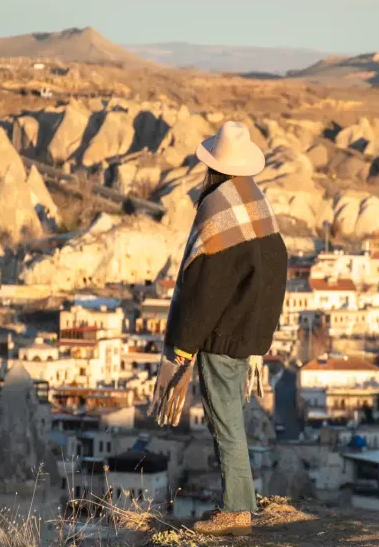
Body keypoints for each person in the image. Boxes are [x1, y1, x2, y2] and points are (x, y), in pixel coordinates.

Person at [148, 120, 288, 537]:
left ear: (213, 166)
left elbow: (204, 286)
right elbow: (274, 270)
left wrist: (184, 345)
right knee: (231, 418)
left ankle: (236, 511)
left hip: (222, 336)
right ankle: (240, 503)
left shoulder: (217, 207)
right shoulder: (257, 202)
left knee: (224, 420)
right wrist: (261, 333)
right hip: (249, 333)